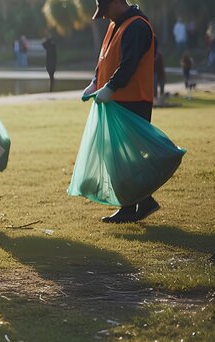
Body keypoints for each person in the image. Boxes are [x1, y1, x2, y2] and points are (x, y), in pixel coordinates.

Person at [82, 0, 160, 224]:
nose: (104, 16)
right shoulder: (116, 24)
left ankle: (134, 206)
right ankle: (139, 203)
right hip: (117, 101)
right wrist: (96, 82)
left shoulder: (136, 26)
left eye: (105, 10)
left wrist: (112, 86)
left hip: (133, 100)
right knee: (119, 157)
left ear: (117, 2)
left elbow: (129, 64)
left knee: (125, 156)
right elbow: (105, 58)